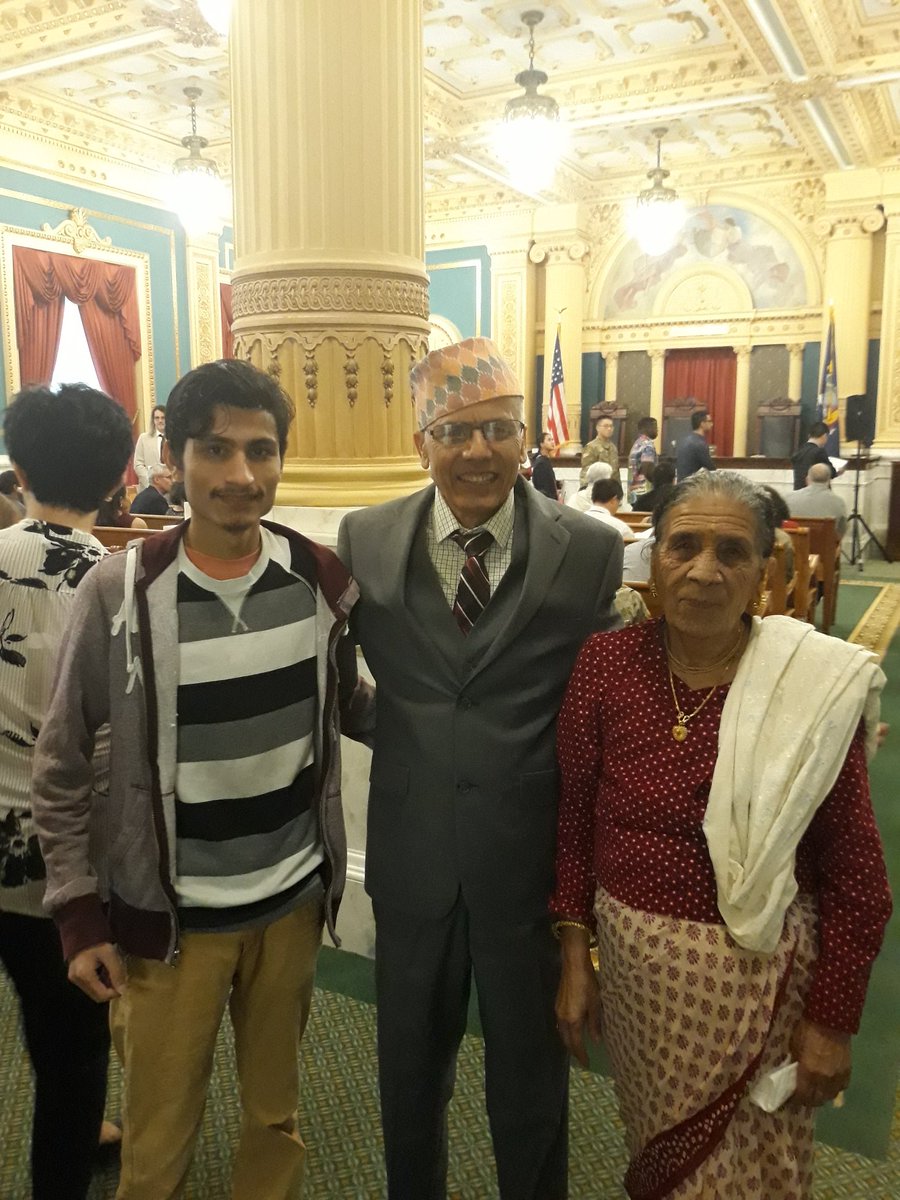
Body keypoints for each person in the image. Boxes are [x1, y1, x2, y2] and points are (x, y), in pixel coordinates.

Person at [32, 359, 374, 1200]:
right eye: (215, 450)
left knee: (273, 1119)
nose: (241, 475)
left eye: (261, 451)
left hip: (289, 908)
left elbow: (349, 703)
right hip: (168, 922)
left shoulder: (321, 579)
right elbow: (62, 758)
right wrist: (78, 911)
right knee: (157, 1134)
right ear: (173, 460)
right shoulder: (122, 587)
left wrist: (466, 737)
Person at [337, 336, 623, 1200]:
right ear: (422, 440)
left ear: (526, 437)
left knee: (530, 1079)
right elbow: (330, 670)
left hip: (524, 861)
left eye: (497, 430)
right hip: (411, 850)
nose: (476, 452)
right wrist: (408, 737)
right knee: (408, 1076)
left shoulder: (588, 547)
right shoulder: (366, 536)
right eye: (454, 433)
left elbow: (603, 693)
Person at [552, 470, 891, 1199]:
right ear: (654, 558)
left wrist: (832, 1023)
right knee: (660, 1154)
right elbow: (575, 822)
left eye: (731, 552)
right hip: (639, 986)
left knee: (747, 1177)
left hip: (760, 990)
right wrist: (576, 961)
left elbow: (859, 881)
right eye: (684, 546)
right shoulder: (606, 664)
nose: (704, 571)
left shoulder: (806, 690)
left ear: (765, 571)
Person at [0, 382, 133, 1200]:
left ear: (16, 469)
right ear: (121, 478)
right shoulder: (124, 586)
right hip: (63, 868)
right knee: (69, 1055)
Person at [788, 462, 848, 537]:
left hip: (795, 546)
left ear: (807, 479)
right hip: (825, 547)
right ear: (829, 481)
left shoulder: (789, 498)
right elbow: (841, 532)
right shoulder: (839, 502)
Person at [791, 421, 838, 491]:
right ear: (824, 436)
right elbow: (830, 473)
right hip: (815, 493)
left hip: (798, 492)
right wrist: (838, 471)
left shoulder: (798, 451)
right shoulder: (819, 452)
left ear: (809, 435)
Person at [132, 404, 166, 489]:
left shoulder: (174, 439)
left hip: (170, 489)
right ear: (153, 420)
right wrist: (150, 482)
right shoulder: (144, 438)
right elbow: (138, 464)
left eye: (163, 418)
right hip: (148, 488)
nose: (160, 421)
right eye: (157, 418)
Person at [580, 414, 620, 485]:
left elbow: (616, 473)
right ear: (597, 428)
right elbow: (586, 471)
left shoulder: (613, 447)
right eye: (606, 426)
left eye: (611, 426)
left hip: (611, 488)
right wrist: (585, 489)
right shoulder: (591, 447)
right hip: (597, 488)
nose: (609, 429)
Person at [676, 408, 715, 480]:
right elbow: (710, 468)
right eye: (709, 421)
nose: (712, 424)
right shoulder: (699, 444)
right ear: (702, 424)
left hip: (682, 484)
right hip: (692, 486)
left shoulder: (685, 440)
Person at [627, 416, 658, 501]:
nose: (657, 430)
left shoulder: (638, 443)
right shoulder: (648, 444)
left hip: (633, 489)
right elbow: (647, 466)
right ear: (646, 428)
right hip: (644, 490)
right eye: (655, 427)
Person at [530, 429, 559, 499]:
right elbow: (542, 487)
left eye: (552, 440)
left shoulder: (545, 460)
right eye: (549, 440)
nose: (552, 442)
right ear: (541, 444)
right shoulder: (541, 463)